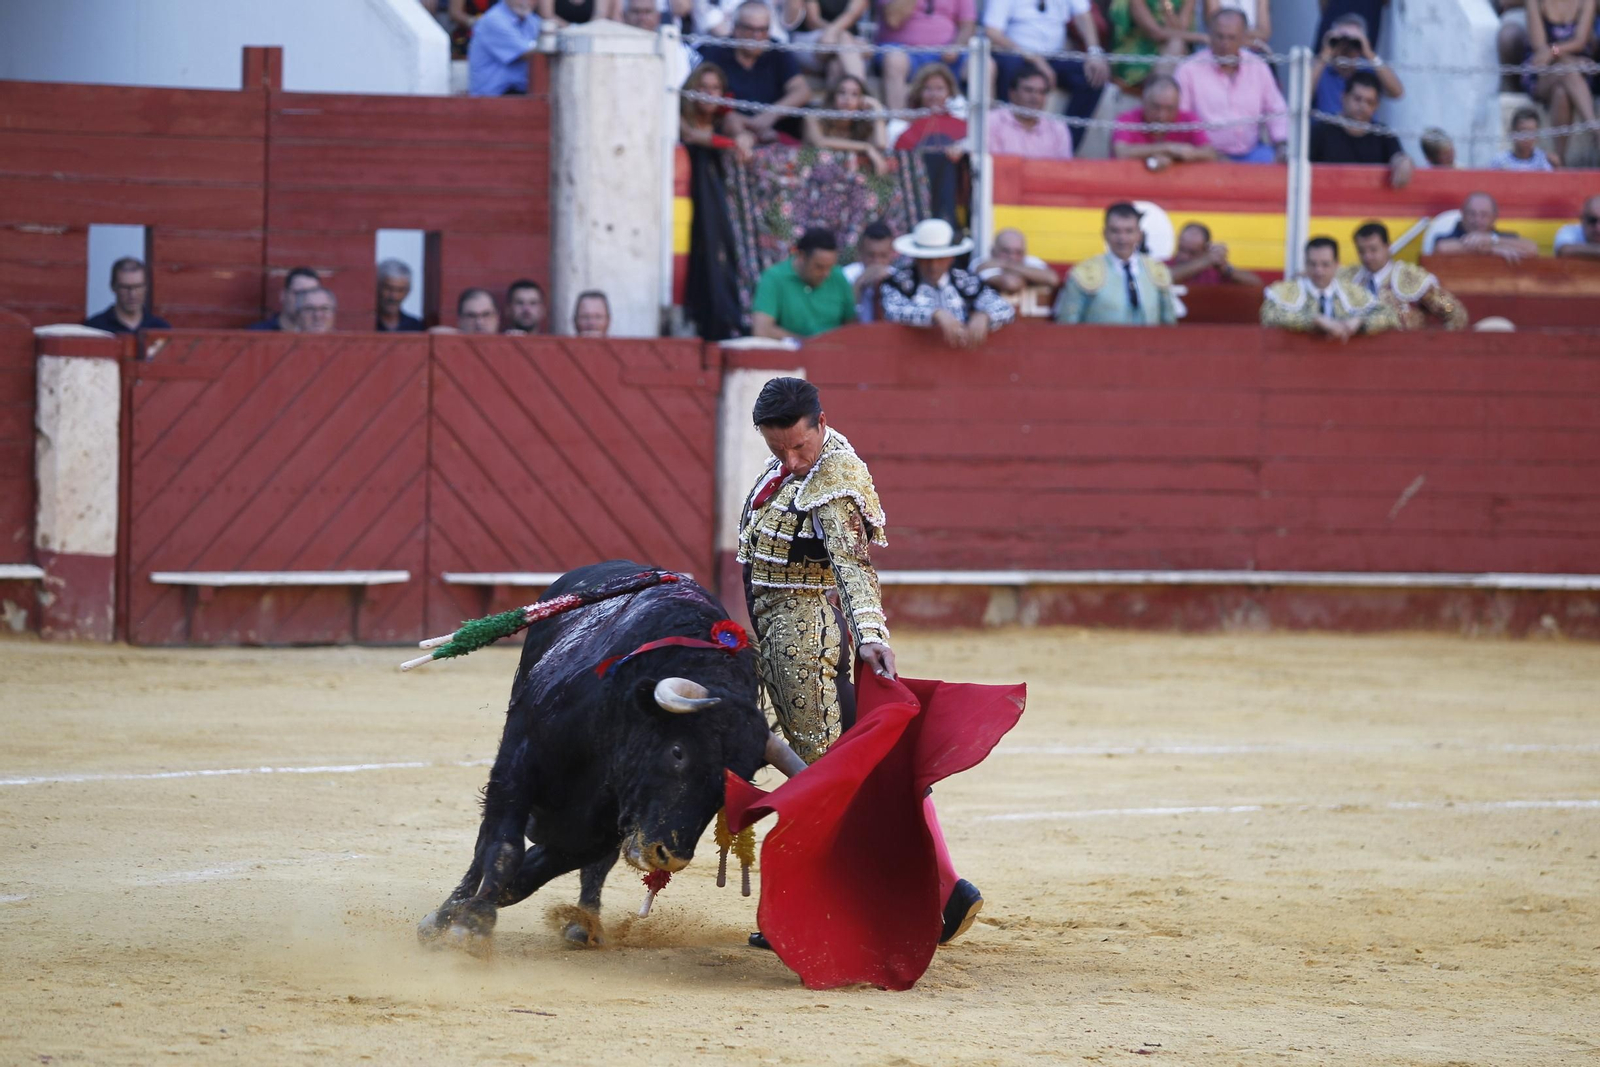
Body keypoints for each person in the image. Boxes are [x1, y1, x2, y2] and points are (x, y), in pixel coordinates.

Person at [734, 375, 984, 948]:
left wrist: (871, 633)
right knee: (850, 770)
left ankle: (821, 908)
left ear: (822, 423)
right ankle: (945, 890)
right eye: (779, 450)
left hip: (805, 640)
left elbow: (852, 566)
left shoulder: (835, 480)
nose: (793, 461)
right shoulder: (795, 468)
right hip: (782, 630)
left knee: (822, 778)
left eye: (800, 446)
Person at [982, 0, 1110, 152]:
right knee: (1009, 69)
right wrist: (1034, 58)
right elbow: (992, 32)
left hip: (1055, 56)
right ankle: (1004, 142)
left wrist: (1094, 52)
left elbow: (1083, 15)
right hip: (1017, 55)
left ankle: (1066, 146)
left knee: (1093, 77)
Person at [1175, 9, 1288, 163]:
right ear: (1210, 35)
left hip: (1253, 153)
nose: (1225, 44)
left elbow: (1276, 109)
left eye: (1232, 38)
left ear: (1244, 38)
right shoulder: (1188, 70)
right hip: (1205, 157)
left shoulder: (1258, 67)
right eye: (1219, 36)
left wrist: (1282, 145)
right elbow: (1181, 119)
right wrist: (1204, 152)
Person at [880, 218, 1015, 347]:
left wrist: (985, 315)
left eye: (940, 258)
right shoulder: (898, 282)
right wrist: (935, 313)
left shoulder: (965, 281)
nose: (933, 266)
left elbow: (1005, 308)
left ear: (951, 258)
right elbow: (892, 310)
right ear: (916, 258)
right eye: (926, 259)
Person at [699, 3, 813, 145]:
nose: (757, 36)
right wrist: (737, 121)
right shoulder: (717, 52)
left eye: (763, 30)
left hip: (775, 136)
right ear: (736, 29)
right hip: (731, 137)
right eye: (750, 29)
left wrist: (768, 116)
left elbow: (802, 91)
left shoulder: (777, 51)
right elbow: (703, 94)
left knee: (811, 123)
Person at [1054, 202, 1178, 326]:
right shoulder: (1084, 273)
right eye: (1115, 231)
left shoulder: (1157, 271)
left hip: (1149, 345)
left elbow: (1169, 323)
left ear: (1139, 234)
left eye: (1129, 231)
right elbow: (1067, 325)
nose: (1122, 238)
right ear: (1105, 233)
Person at [1260, 236, 1397, 339]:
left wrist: (1360, 321)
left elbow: (1389, 314)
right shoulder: (1287, 290)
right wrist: (1315, 320)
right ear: (1305, 263)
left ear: (1337, 265)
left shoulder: (1352, 292)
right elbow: (1269, 314)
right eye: (1312, 264)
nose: (1318, 271)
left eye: (1325, 265)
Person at [1343, 221, 1467, 330]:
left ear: (1388, 247)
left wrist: (1442, 341)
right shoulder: (1350, 279)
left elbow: (1451, 308)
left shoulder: (1412, 278)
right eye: (1362, 251)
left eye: (1373, 250)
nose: (1367, 256)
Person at [1522, 0, 1598, 165]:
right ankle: (1595, 129)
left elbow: (1580, 41)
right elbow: (1540, 48)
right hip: (1541, 73)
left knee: (1561, 92)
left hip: (1576, 73)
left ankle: (1560, 160)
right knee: (1566, 70)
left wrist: (1556, 53)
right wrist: (1566, 58)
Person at [1308, 71, 1413, 189]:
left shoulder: (1382, 133)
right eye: (1358, 99)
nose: (1363, 106)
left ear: (1376, 106)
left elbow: (1398, 157)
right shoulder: (1321, 130)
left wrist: (1404, 161)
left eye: (1369, 102)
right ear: (1343, 97)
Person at [751, 228, 859, 339]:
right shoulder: (774, 278)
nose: (826, 274)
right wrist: (808, 344)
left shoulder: (838, 276)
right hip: (790, 352)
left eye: (830, 267)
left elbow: (852, 326)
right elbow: (761, 330)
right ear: (802, 256)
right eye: (819, 267)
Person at [875, 0, 978, 112]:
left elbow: (968, 25)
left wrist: (956, 46)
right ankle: (898, 123)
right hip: (905, 53)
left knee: (984, 65)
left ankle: (989, 124)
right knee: (895, 60)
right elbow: (893, 19)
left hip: (947, 54)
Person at [1110, 73, 1217, 169]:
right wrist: (1168, 149)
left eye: (1170, 109)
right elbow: (1121, 152)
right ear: (1143, 101)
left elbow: (1210, 153)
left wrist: (1174, 158)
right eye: (1156, 107)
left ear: (1178, 105)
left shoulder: (1188, 120)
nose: (1162, 115)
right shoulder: (1127, 119)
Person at [1310, 13, 1404, 118]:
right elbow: (1302, 95)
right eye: (1340, 41)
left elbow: (1397, 92)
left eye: (1355, 43)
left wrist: (1369, 53)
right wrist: (1325, 53)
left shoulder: (1368, 69)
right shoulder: (1321, 69)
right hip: (1326, 131)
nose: (1347, 47)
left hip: (1363, 131)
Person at [1106, 0, 1206, 90]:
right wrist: (1201, 38)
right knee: (1177, 45)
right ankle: (1159, 93)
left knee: (1177, 45)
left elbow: (1182, 28)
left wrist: (1166, 6)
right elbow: (1156, 33)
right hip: (1136, 55)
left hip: (1168, 49)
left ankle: (1162, 95)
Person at [802, 75, 890, 174]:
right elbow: (820, 142)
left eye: (855, 94)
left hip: (853, 180)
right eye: (842, 92)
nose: (847, 98)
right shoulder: (814, 117)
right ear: (833, 96)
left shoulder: (864, 123)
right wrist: (866, 147)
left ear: (862, 100)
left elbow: (881, 145)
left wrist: (876, 107)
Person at [987, 67, 1076, 160]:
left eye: (1041, 92)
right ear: (1012, 93)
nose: (1035, 97)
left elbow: (1064, 169)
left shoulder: (1057, 128)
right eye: (1028, 90)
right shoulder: (992, 122)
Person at [972, 228, 1060, 316]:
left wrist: (1007, 265)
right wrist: (1031, 277)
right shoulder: (981, 263)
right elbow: (1012, 284)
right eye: (1006, 251)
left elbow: (1053, 279)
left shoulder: (1029, 261)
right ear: (993, 251)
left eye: (1018, 252)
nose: (1013, 257)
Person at [1433, 192, 1540, 263]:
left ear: (1494, 217)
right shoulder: (1448, 237)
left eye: (1484, 215)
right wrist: (1492, 249)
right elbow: (1442, 248)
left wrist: (1492, 239)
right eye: (1471, 214)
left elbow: (1532, 249)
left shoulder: (1501, 237)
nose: (1477, 220)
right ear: (1462, 215)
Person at [680, 63, 756, 163]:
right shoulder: (679, 117)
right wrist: (731, 143)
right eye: (703, 86)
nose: (709, 93)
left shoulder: (727, 119)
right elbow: (690, 135)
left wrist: (745, 140)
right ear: (693, 89)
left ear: (722, 93)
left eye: (715, 88)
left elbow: (744, 135)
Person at [468, 0, 544, 97]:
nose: (526, 2)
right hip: (492, 99)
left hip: (517, 93)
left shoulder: (531, 19)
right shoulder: (494, 20)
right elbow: (527, 53)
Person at [83, 257, 171, 335]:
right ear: (113, 287)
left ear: (146, 287)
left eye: (138, 287)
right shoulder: (94, 329)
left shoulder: (160, 329)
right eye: (125, 287)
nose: (132, 294)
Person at [790, 0, 871, 83]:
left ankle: (843, 93)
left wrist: (833, 32)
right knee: (842, 39)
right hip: (813, 41)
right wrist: (834, 33)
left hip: (842, 43)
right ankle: (860, 90)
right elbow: (813, 20)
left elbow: (852, 15)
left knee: (835, 65)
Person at [1165, 222, 1261, 286]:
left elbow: (1257, 284)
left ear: (1204, 250)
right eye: (1182, 250)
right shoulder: (1164, 265)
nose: (1184, 256)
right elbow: (1165, 278)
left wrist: (1225, 268)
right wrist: (1207, 260)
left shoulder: (1213, 271)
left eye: (1192, 253)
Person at [841, 220, 900, 322]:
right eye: (871, 255)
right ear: (861, 252)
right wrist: (858, 285)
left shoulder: (899, 279)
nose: (876, 262)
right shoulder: (845, 277)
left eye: (883, 255)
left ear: (891, 254)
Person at [248, 267, 320, 332]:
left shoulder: (321, 332)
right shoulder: (258, 332)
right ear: (283, 295)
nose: (306, 300)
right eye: (299, 293)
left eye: (311, 295)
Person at [1490, 107, 1558, 171]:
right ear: (1513, 132)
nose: (1527, 137)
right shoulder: (1500, 163)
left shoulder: (1543, 160)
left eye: (1531, 132)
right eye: (1523, 132)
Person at [375, 259, 424, 332]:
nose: (394, 296)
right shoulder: (365, 324)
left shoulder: (416, 327)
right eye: (388, 288)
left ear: (408, 291)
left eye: (400, 290)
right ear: (377, 287)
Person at [1204, 0, 1270, 52]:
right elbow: (1217, 29)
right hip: (1219, 52)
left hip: (1252, 55)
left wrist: (1234, 38)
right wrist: (1250, 40)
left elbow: (1264, 33)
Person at [1554, 194, 1600, 258]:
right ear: (1582, 219)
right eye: (1592, 220)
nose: (1598, 227)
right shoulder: (1570, 231)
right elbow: (1564, 251)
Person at [539, 0, 620, 27]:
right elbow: (546, 15)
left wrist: (578, 31)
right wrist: (571, 28)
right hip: (556, 39)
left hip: (588, 40)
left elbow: (600, 17)